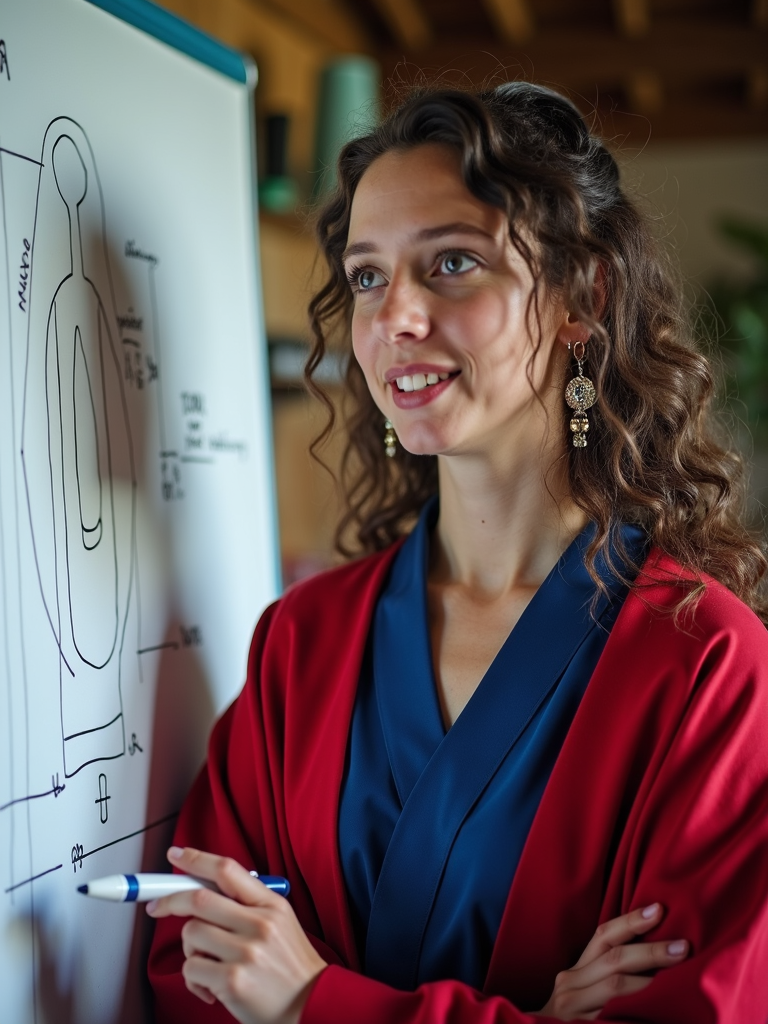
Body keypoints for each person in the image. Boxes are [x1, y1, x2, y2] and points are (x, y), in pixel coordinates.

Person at [147, 83, 768, 1023]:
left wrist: (316, 1000)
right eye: (366, 276)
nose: (393, 316)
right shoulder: (301, 644)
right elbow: (191, 972)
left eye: (450, 263)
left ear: (581, 297)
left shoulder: (706, 663)